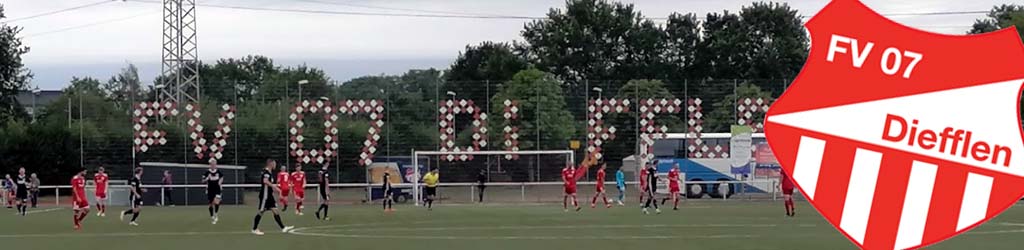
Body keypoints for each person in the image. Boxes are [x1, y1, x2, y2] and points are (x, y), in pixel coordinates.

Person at [251, 159, 294, 235]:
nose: (275, 165)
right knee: (261, 212)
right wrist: (275, 187)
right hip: (265, 196)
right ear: (270, 164)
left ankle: (283, 228)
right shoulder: (266, 172)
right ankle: (254, 229)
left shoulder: (269, 172)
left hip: (269, 196)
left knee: (275, 210)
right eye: (274, 164)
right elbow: (265, 181)